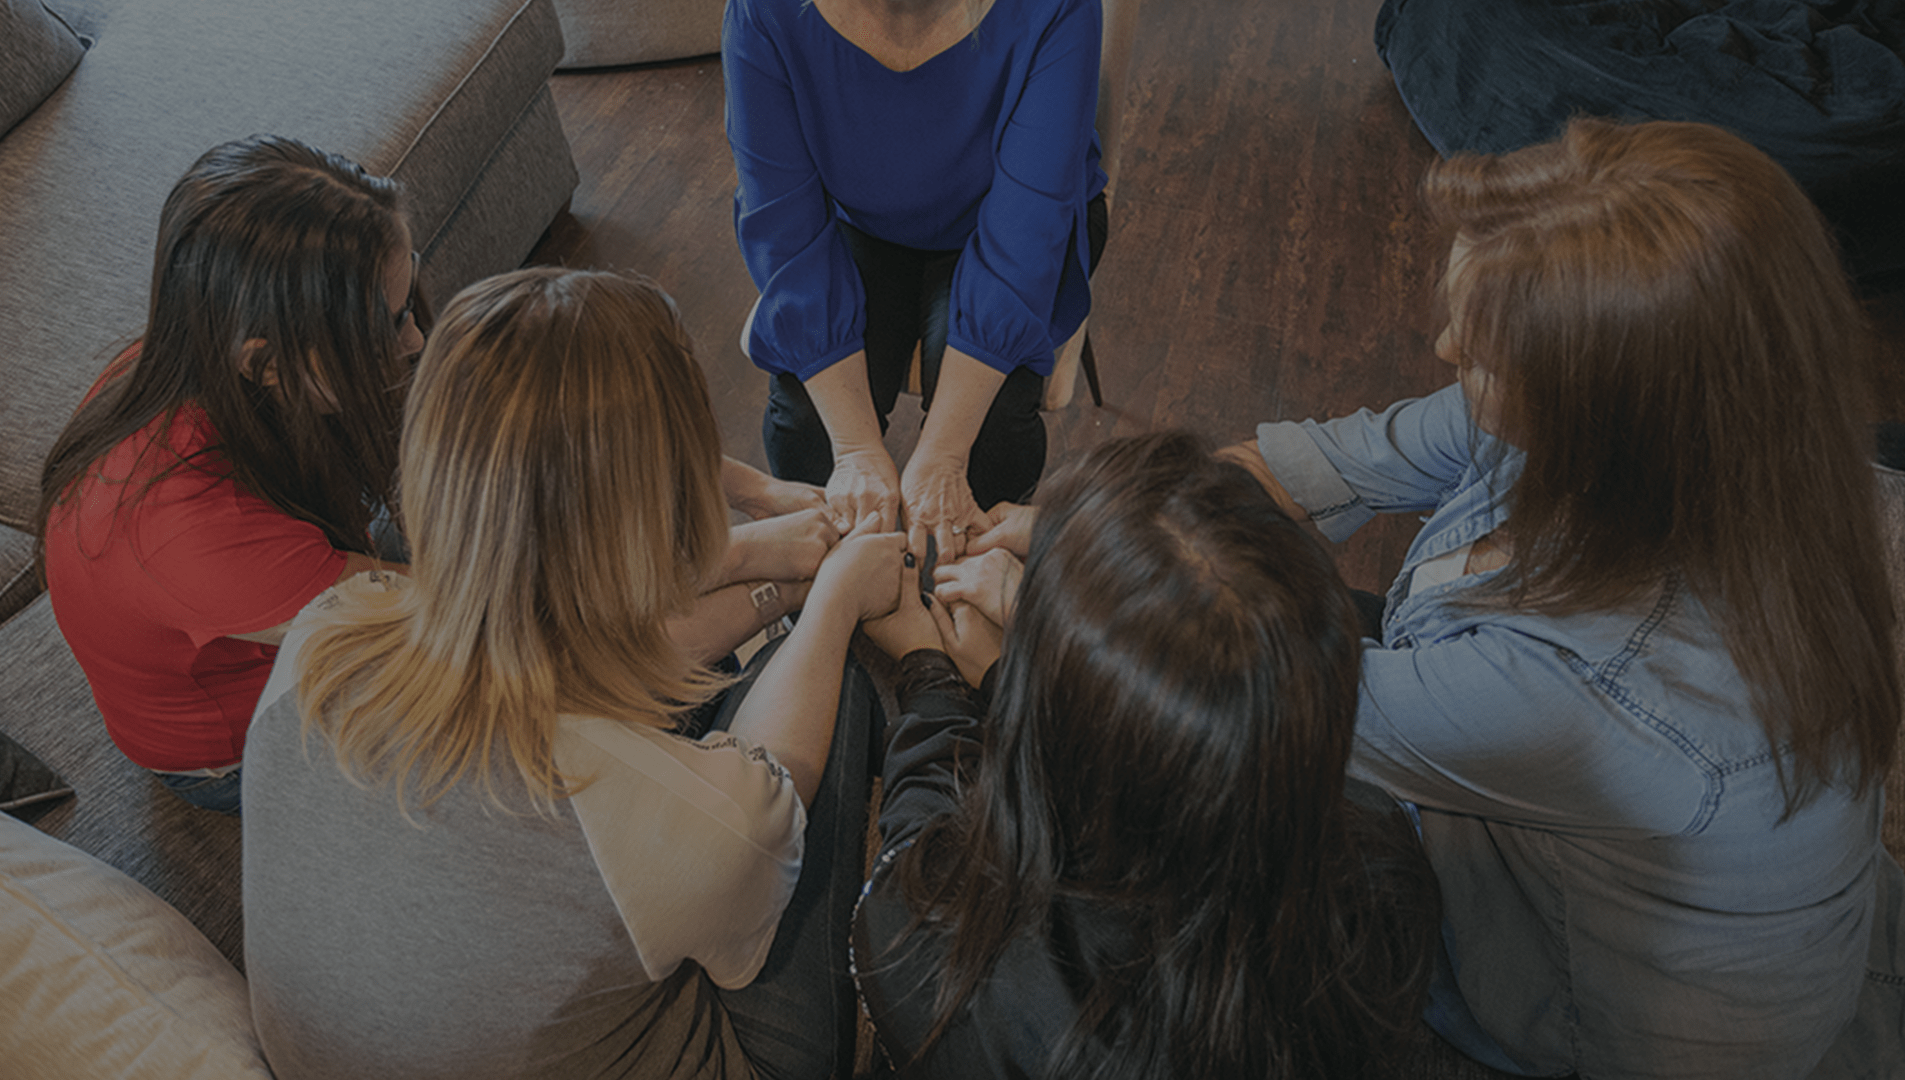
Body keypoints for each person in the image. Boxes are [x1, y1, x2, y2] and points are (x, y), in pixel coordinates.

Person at [1216, 118, 1903, 1076]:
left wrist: (1079, 565)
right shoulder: (1700, 448)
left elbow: (1249, 716)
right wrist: (1151, 504)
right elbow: (1326, 465)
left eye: (1488, 354)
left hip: (1582, 1021)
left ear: (1608, 404)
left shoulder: (1609, 688)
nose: (1445, 345)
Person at [241, 267, 904, 1080]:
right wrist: (831, 606)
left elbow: (565, 634)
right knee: (841, 709)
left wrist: (781, 583)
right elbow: (763, 801)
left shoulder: (323, 634)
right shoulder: (627, 818)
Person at [852, 432, 1440, 1078]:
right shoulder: (1380, 862)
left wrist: (929, 676)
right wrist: (1030, 667)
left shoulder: (928, 949)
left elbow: (917, 850)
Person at [35, 135, 423, 814]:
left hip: (261, 588)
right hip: (233, 756)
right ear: (265, 363)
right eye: (388, 325)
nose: (415, 338)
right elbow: (446, 615)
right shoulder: (190, 532)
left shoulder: (173, 362)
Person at [723, 0, 1110, 560]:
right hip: (864, 220)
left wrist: (945, 453)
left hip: (1017, 218)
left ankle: (972, 609)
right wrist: (855, 448)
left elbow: (1025, 233)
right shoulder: (763, 12)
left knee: (992, 427)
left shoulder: (1055, 8)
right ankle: (830, 607)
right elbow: (784, 224)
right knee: (805, 422)